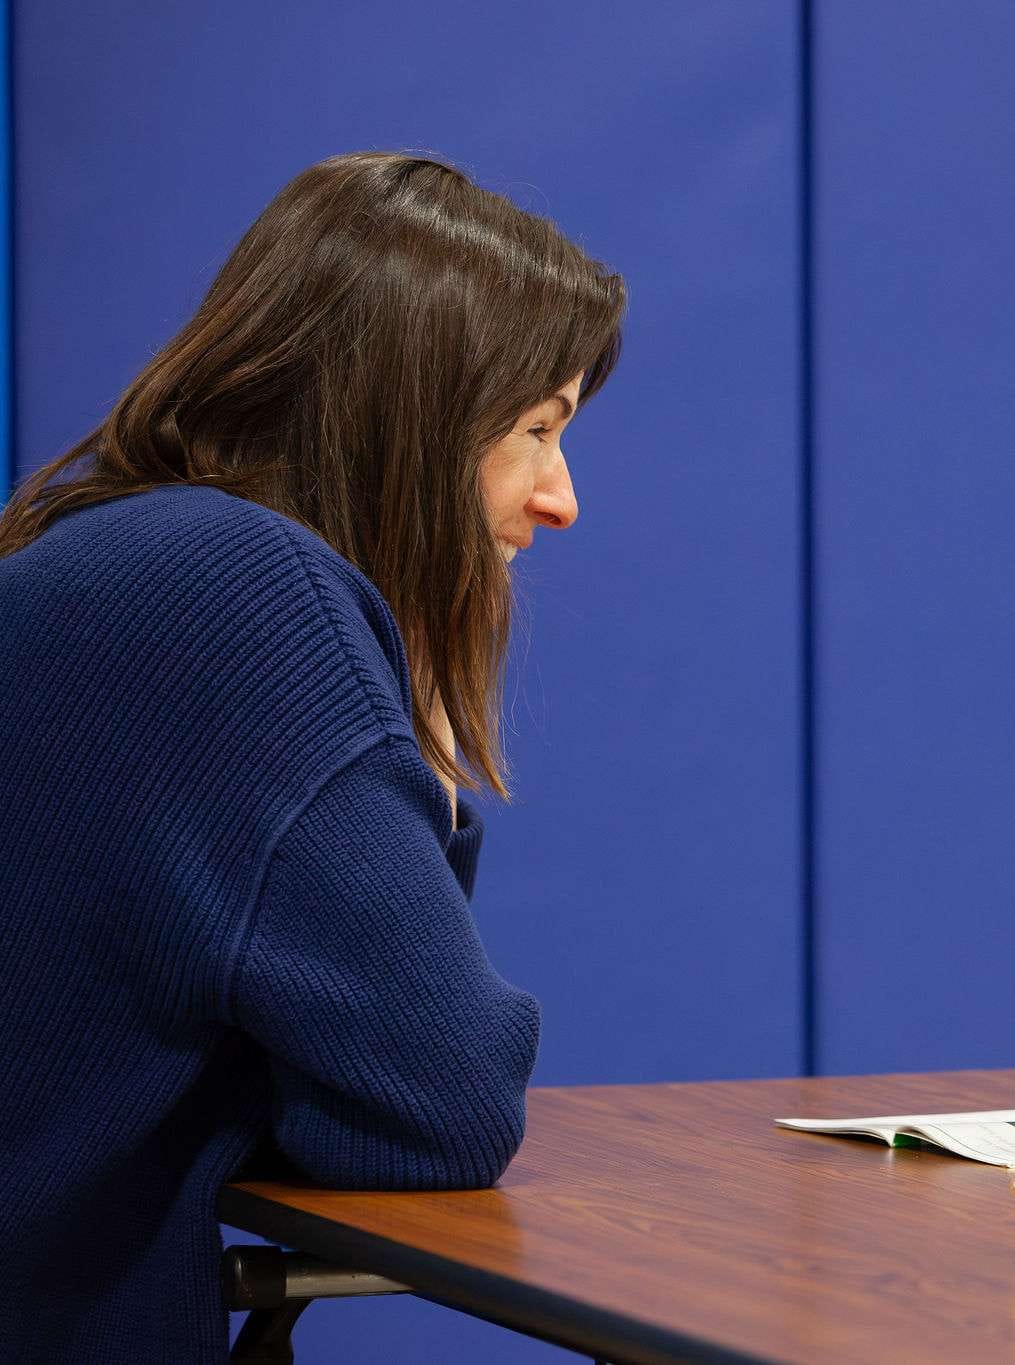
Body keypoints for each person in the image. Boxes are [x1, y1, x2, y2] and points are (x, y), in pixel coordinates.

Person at [0, 152, 625, 1360]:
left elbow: (333, 1107)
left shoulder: (107, 555)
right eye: (536, 431)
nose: (560, 499)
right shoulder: (242, 591)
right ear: (417, 412)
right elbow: (432, 1113)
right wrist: (416, 746)